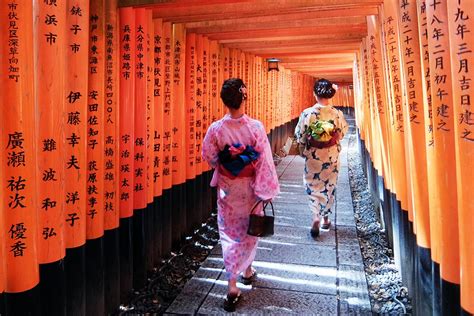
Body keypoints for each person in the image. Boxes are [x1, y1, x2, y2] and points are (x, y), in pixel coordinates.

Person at [202, 78, 280, 312]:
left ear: (224, 101)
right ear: (244, 98)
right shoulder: (255, 127)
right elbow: (264, 160)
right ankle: (243, 273)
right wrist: (266, 190)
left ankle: (235, 281)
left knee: (228, 232)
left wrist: (227, 165)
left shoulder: (216, 129)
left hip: (228, 187)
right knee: (250, 229)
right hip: (250, 188)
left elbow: (209, 156)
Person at [294, 78, 348, 238]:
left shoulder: (308, 113)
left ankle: (315, 216)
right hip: (331, 156)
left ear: (315, 94)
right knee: (329, 185)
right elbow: (342, 133)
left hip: (314, 156)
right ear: (331, 94)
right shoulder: (337, 113)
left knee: (312, 186)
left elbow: (300, 135)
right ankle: (325, 219)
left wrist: (305, 145)